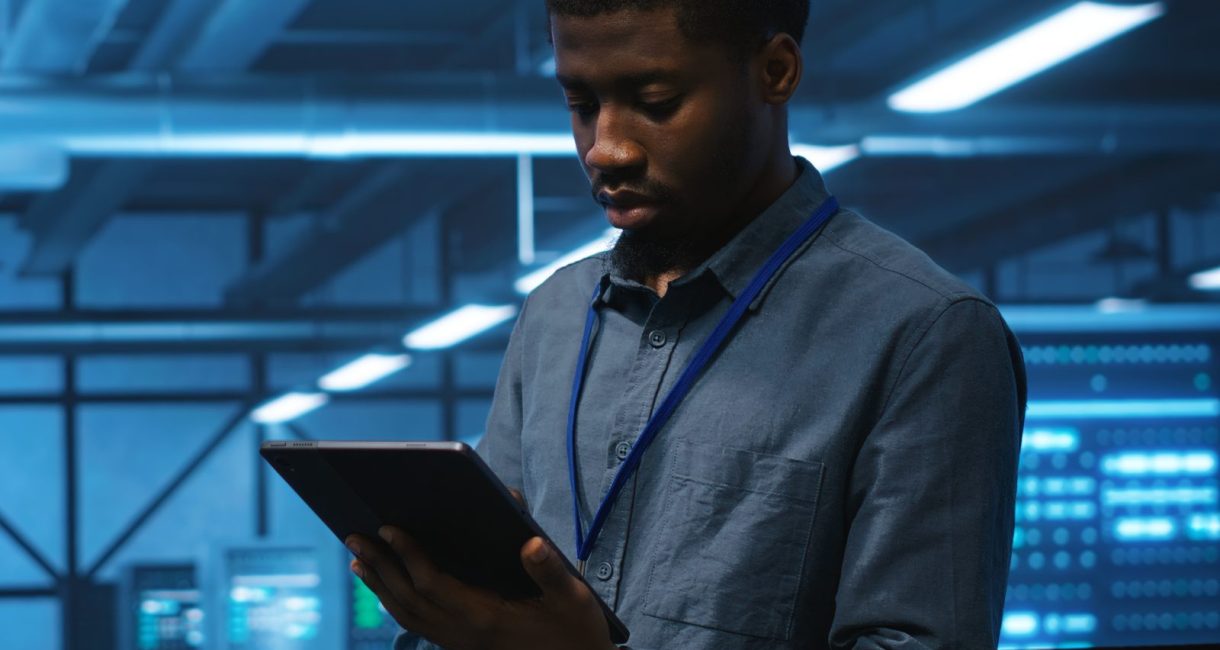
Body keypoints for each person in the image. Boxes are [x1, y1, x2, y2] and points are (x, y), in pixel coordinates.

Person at [346, 1, 1027, 648]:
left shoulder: (926, 335)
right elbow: (486, 601)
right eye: (581, 105)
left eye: (655, 103)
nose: (604, 150)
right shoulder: (554, 314)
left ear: (775, 73)